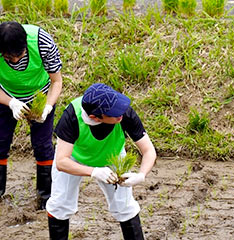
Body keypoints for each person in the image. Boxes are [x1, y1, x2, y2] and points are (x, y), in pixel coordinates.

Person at [46, 83, 156, 240]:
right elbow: (62, 162)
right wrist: (94, 172)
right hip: (74, 158)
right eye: (114, 113)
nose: (120, 115)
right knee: (60, 204)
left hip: (112, 157)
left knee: (124, 206)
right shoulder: (71, 116)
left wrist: (142, 174)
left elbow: (148, 150)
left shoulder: (124, 113)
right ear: (95, 117)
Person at [0, 21, 63, 211]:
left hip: (40, 94)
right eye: (8, 57)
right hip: (6, 95)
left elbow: (56, 81)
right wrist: (11, 102)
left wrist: (47, 106)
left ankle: (46, 199)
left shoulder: (42, 41)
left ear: (25, 46)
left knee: (43, 146)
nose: (15, 61)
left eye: (19, 55)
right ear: (0, 52)